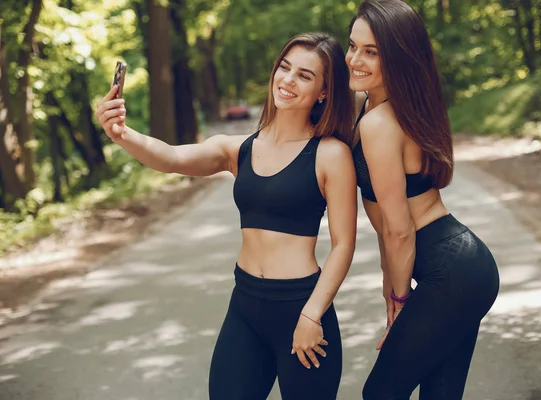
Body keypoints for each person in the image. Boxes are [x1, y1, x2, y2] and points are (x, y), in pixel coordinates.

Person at [95, 32, 357, 400]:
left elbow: (344, 245)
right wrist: (122, 134)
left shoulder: (331, 155)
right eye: (284, 68)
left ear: (324, 93)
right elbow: (170, 158)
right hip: (246, 307)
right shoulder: (238, 150)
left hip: (301, 308)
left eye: (304, 75)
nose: (287, 80)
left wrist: (312, 315)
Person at [345, 1, 500, 399]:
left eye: (371, 51)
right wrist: (388, 285)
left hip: (450, 271)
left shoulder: (379, 123)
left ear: (397, 56)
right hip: (464, 266)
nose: (354, 60)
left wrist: (399, 299)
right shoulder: (382, 106)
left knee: (380, 392)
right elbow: (386, 224)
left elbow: (399, 230)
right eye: (353, 46)